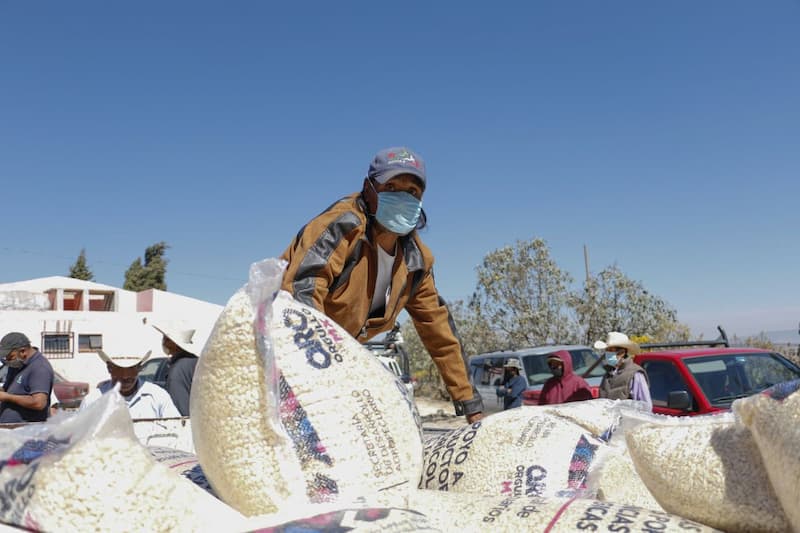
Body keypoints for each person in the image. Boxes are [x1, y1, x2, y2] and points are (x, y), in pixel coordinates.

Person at [281, 146, 483, 423]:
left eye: (412, 192)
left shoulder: (416, 262)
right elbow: (301, 294)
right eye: (391, 186)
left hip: (333, 357)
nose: (402, 197)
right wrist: (316, 378)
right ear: (369, 189)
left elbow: (439, 332)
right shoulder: (340, 228)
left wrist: (471, 406)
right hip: (288, 347)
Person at [80, 350, 180, 419]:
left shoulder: (158, 396)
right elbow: (79, 440)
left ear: (139, 368)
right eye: (118, 368)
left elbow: (176, 431)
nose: (125, 376)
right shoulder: (93, 400)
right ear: (109, 368)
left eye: (131, 368)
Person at [0, 332, 54, 423]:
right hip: (8, 429)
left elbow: (39, 403)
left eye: (11, 357)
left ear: (23, 351)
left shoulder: (40, 368)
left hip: (25, 431)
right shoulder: (17, 364)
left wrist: (7, 397)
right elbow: (7, 390)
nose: (8, 361)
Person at [594, 331, 652, 411]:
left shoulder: (635, 374)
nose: (607, 354)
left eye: (611, 350)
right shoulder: (608, 374)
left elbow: (646, 407)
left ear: (621, 353)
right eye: (607, 350)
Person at [152, 323, 198, 416]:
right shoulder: (196, 362)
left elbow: (180, 412)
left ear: (175, 344)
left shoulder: (178, 370)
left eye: (166, 339)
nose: (164, 343)